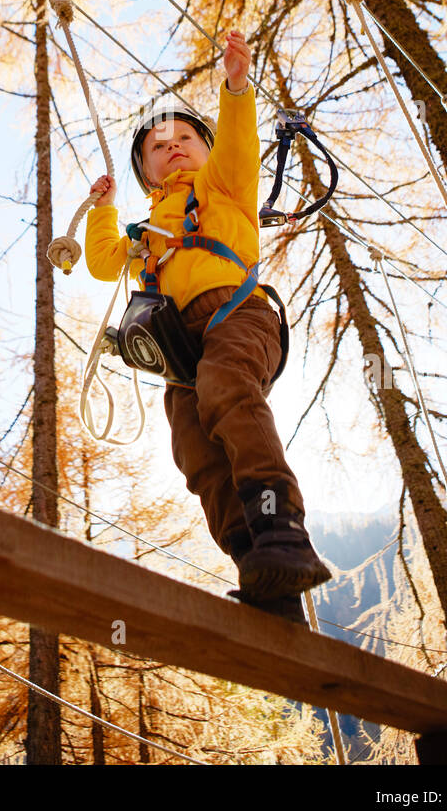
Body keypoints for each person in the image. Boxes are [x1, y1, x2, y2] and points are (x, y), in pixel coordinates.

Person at [85, 31, 331, 625]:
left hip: (237, 314)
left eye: (185, 138)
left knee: (227, 392)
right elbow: (100, 264)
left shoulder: (224, 185)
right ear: (145, 171)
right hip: (177, 352)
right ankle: (260, 565)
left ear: (205, 149)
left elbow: (241, 147)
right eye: (158, 146)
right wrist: (104, 210)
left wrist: (237, 88)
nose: (172, 147)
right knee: (195, 449)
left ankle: (281, 527)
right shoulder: (145, 231)